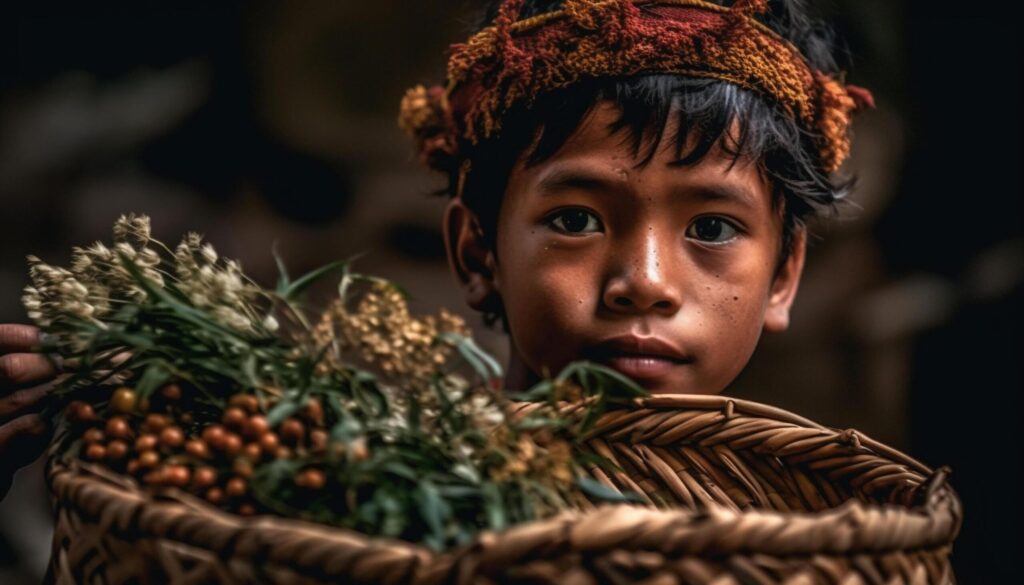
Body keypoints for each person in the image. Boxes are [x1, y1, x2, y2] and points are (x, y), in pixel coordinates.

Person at [0, 0, 871, 500]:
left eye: (711, 228)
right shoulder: (351, 480)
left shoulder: (824, 532)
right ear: (477, 251)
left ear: (783, 273)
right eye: (575, 219)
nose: (642, 282)